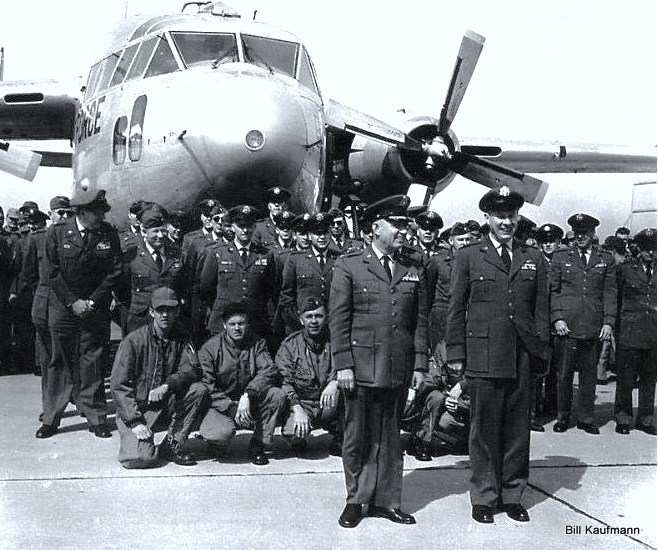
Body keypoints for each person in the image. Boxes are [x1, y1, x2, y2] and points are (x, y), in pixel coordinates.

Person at [446, 186, 550, 524]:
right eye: (499, 216)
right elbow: (456, 308)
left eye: (511, 215)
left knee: (518, 431)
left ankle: (512, 494)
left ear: (518, 217)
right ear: (487, 218)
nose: (506, 222)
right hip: (483, 353)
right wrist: (457, 354)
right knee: (484, 430)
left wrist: (541, 353)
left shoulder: (532, 257)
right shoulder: (468, 256)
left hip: (521, 355)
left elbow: (541, 311)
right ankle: (484, 497)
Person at [330, 195, 428, 528]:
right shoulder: (350, 264)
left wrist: (419, 364)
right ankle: (356, 500)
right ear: (376, 227)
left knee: (390, 437)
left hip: (398, 366)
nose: (405, 229)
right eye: (397, 224)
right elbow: (338, 320)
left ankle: (387, 500)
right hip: (360, 367)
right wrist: (343, 364)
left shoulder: (413, 266)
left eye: (405, 223)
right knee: (357, 437)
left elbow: (420, 321)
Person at [36, 189, 123, 439]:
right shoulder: (57, 232)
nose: (101, 217)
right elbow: (52, 272)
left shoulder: (108, 233)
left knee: (93, 362)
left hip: (95, 309)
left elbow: (114, 271)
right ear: (83, 212)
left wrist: (92, 301)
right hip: (63, 308)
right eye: (97, 213)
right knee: (59, 362)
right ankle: (51, 418)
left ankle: (96, 418)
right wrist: (73, 302)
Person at [110, 287, 209, 468]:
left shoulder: (181, 337)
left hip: (166, 403)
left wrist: (167, 385)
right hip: (138, 408)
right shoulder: (134, 341)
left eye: (170, 310)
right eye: (160, 310)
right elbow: (119, 386)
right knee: (138, 459)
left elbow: (192, 369)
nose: (165, 315)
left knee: (198, 390)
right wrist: (135, 421)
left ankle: (172, 444)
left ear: (177, 311)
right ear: (151, 312)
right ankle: (143, 440)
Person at [550, 213, 617, 435]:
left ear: (592, 234)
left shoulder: (605, 259)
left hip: (593, 326)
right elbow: (554, 290)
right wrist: (557, 317)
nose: (580, 237)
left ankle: (586, 418)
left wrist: (608, 322)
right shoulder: (561, 257)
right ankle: (562, 417)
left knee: (589, 376)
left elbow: (609, 293)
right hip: (566, 327)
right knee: (564, 375)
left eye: (584, 233)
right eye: (577, 233)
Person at [197, 303, 285, 465]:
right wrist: (230, 407)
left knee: (276, 395)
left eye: (241, 323)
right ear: (224, 325)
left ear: (247, 324)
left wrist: (248, 394)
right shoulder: (210, 348)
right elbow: (206, 384)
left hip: (248, 400)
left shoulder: (258, 343)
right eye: (232, 324)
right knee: (220, 433)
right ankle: (216, 444)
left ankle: (258, 444)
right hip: (220, 406)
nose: (237, 328)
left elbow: (268, 371)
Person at [200, 205, 275, 342]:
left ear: (254, 227)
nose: (245, 230)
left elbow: (269, 289)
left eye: (249, 226)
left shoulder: (265, 254)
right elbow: (206, 288)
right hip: (223, 323)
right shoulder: (217, 252)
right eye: (241, 226)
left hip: (254, 323)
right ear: (233, 226)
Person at [276, 297, 341, 455]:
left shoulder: (337, 341)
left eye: (318, 316)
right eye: (309, 317)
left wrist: (335, 382)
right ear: (301, 319)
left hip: (331, 402)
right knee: (293, 432)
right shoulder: (289, 346)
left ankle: (341, 437)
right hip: (303, 403)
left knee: (351, 391)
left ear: (326, 318)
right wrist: (297, 408)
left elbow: (351, 367)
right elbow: (283, 382)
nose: (314, 321)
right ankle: (298, 440)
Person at [613, 228, 656, 436]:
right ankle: (623, 418)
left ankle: (646, 419)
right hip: (629, 331)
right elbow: (617, 297)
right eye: (647, 249)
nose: (650, 253)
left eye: (654, 249)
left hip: (654, 332)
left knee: (650, 379)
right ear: (639, 249)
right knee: (625, 379)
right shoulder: (625, 269)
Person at [122, 205, 187, 333]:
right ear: (144, 231)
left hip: (168, 320)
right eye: (155, 231)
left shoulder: (177, 254)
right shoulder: (131, 256)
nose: (161, 235)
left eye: (163, 231)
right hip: (140, 321)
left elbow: (184, 285)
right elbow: (122, 288)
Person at [280, 212, 340, 335]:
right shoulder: (295, 259)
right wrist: (301, 321)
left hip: (333, 327)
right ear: (309, 235)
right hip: (302, 328)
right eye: (317, 233)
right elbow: (286, 297)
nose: (322, 237)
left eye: (325, 232)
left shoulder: (339, 259)